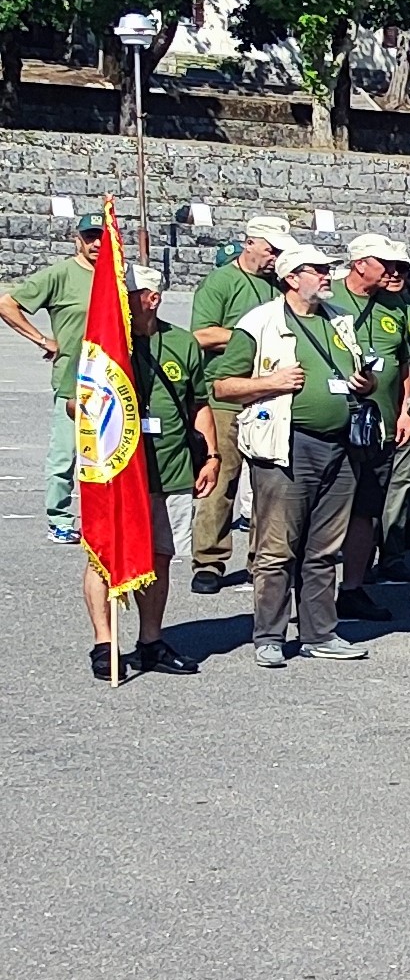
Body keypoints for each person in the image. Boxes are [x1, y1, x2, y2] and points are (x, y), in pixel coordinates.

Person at [212, 244, 376, 668]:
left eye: (327, 269)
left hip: (341, 445)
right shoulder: (260, 322)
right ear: (291, 277)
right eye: (317, 270)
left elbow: (360, 374)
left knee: (324, 548)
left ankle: (320, 633)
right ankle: (269, 635)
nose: (326, 275)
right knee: (277, 548)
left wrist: (366, 384)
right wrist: (272, 382)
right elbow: (223, 386)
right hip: (285, 444)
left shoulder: (340, 319)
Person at [86, 265, 215, 681]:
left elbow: (198, 403)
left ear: (152, 299)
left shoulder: (181, 342)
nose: (120, 302)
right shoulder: (104, 342)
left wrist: (211, 457)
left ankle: (150, 641)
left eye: (128, 295)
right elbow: (74, 403)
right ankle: (105, 644)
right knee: (105, 556)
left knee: (160, 555)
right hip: (117, 469)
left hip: (171, 467)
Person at [179, 216, 295, 584]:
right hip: (226, 394)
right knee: (222, 479)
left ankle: (263, 558)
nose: (275, 257)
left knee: (268, 481)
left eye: (279, 251)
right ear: (249, 244)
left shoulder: (278, 285)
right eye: (270, 250)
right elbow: (201, 334)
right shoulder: (221, 281)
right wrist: (251, 336)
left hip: (269, 392)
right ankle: (209, 560)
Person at [0, 217, 110, 544]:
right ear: (78, 239)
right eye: (90, 237)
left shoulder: (118, 276)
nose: (96, 244)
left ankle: (106, 520)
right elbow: (7, 304)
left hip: (113, 380)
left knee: (110, 454)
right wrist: (42, 339)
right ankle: (59, 520)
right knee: (65, 455)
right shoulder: (61, 275)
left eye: (102, 237)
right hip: (72, 380)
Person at [330, 234, 410, 623]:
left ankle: (353, 588)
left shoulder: (396, 305)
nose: (395, 272)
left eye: (399, 266)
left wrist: (405, 411)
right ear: (360, 264)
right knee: (324, 512)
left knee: (366, 511)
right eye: (387, 264)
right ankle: (311, 593)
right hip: (334, 426)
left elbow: (404, 364)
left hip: (379, 426)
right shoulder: (328, 296)